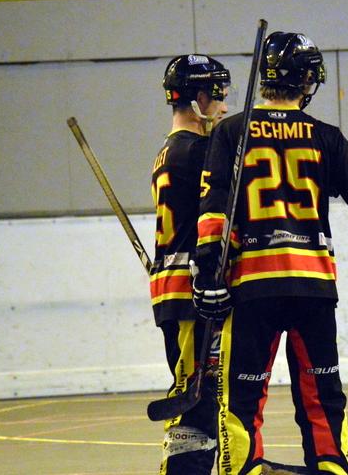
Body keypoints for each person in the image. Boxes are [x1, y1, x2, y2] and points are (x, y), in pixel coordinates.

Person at [190, 31, 348, 475]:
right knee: (322, 396)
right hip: (312, 287)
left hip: (252, 287)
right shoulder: (326, 137)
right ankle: (331, 467)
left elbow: (214, 212)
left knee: (243, 398)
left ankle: (242, 469)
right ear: (308, 81)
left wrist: (207, 275)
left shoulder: (231, 131)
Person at [150, 54, 230, 474]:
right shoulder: (198, 151)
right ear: (199, 99)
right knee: (194, 400)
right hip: (190, 293)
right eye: (218, 97)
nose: (224, 107)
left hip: (174, 290)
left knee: (204, 396)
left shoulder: (169, 150)